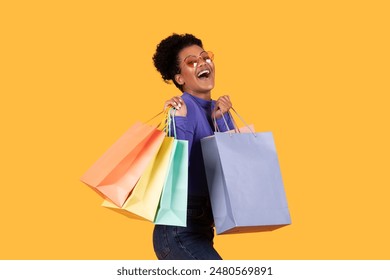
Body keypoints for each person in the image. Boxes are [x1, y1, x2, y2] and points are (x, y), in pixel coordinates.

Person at [152, 33, 234, 260]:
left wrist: (222, 119)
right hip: (178, 230)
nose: (203, 63)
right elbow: (176, 170)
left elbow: (232, 171)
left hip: (203, 228)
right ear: (179, 78)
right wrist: (179, 122)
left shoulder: (216, 110)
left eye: (205, 57)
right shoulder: (182, 108)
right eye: (192, 62)